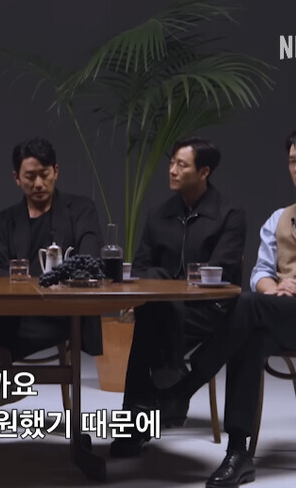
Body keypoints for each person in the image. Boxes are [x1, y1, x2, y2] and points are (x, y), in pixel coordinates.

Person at [161, 127, 296, 488]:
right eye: (292, 161)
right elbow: (260, 273)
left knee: (248, 307)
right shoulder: (279, 217)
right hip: (276, 314)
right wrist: (275, 288)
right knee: (252, 337)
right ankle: (238, 453)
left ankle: (185, 386)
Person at [0, 136, 103, 453]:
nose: (38, 183)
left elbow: (89, 258)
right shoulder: (4, 222)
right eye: (29, 176)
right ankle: (2, 384)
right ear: (16, 178)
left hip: (63, 313)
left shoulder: (80, 210)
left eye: (44, 174)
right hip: (17, 314)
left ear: (56, 171)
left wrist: (47, 282)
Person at [109, 138, 246, 457]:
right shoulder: (159, 213)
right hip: (163, 311)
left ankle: (133, 427)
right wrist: (161, 287)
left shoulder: (229, 214)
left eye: (181, 165)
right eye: (171, 163)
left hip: (209, 309)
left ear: (204, 172)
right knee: (152, 313)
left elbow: (223, 269)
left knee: (148, 322)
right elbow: (141, 265)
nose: (171, 170)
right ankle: (170, 375)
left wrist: (168, 290)